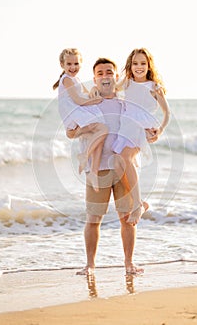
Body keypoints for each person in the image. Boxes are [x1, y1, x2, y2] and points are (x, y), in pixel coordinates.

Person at [67, 57, 157, 276]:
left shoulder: (127, 104)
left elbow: (142, 127)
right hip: (96, 169)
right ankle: (90, 265)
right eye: (100, 73)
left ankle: (129, 263)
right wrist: (84, 130)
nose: (105, 76)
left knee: (127, 219)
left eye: (109, 72)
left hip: (124, 167)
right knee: (93, 219)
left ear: (116, 77)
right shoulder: (87, 105)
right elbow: (70, 133)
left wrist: (151, 134)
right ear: (95, 79)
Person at [112, 48, 170, 225]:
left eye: (143, 63)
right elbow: (110, 88)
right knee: (120, 161)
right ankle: (141, 203)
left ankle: (137, 204)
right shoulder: (127, 83)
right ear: (130, 65)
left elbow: (167, 113)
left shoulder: (154, 87)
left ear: (148, 65)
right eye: (135, 63)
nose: (139, 67)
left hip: (141, 127)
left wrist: (159, 130)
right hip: (126, 127)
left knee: (125, 158)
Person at [53, 48, 108, 191]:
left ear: (81, 64)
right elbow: (78, 100)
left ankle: (93, 172)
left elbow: (85, 92)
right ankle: (84, 156)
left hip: (78, 111)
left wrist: (94, 90)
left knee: (98, 137)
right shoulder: (66, 80)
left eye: (76, 64)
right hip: (73, 113)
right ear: (62, 65)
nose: (73, 67)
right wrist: (96, 101)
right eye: (69, 64)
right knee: (103, 129)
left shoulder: (75, 79)